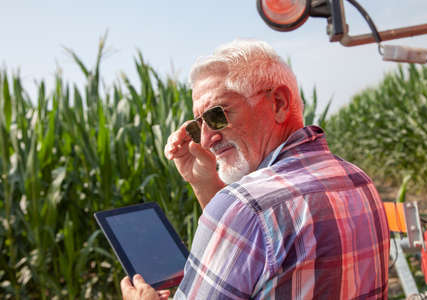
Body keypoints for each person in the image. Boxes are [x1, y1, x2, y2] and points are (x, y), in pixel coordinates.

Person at [121, 39, 390, 299]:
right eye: (196, 126)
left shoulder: (246, 208)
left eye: (217, 115)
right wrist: (204, 183)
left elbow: (252, 220)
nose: (205, 140)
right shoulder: (358, 180)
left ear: (279, 103)